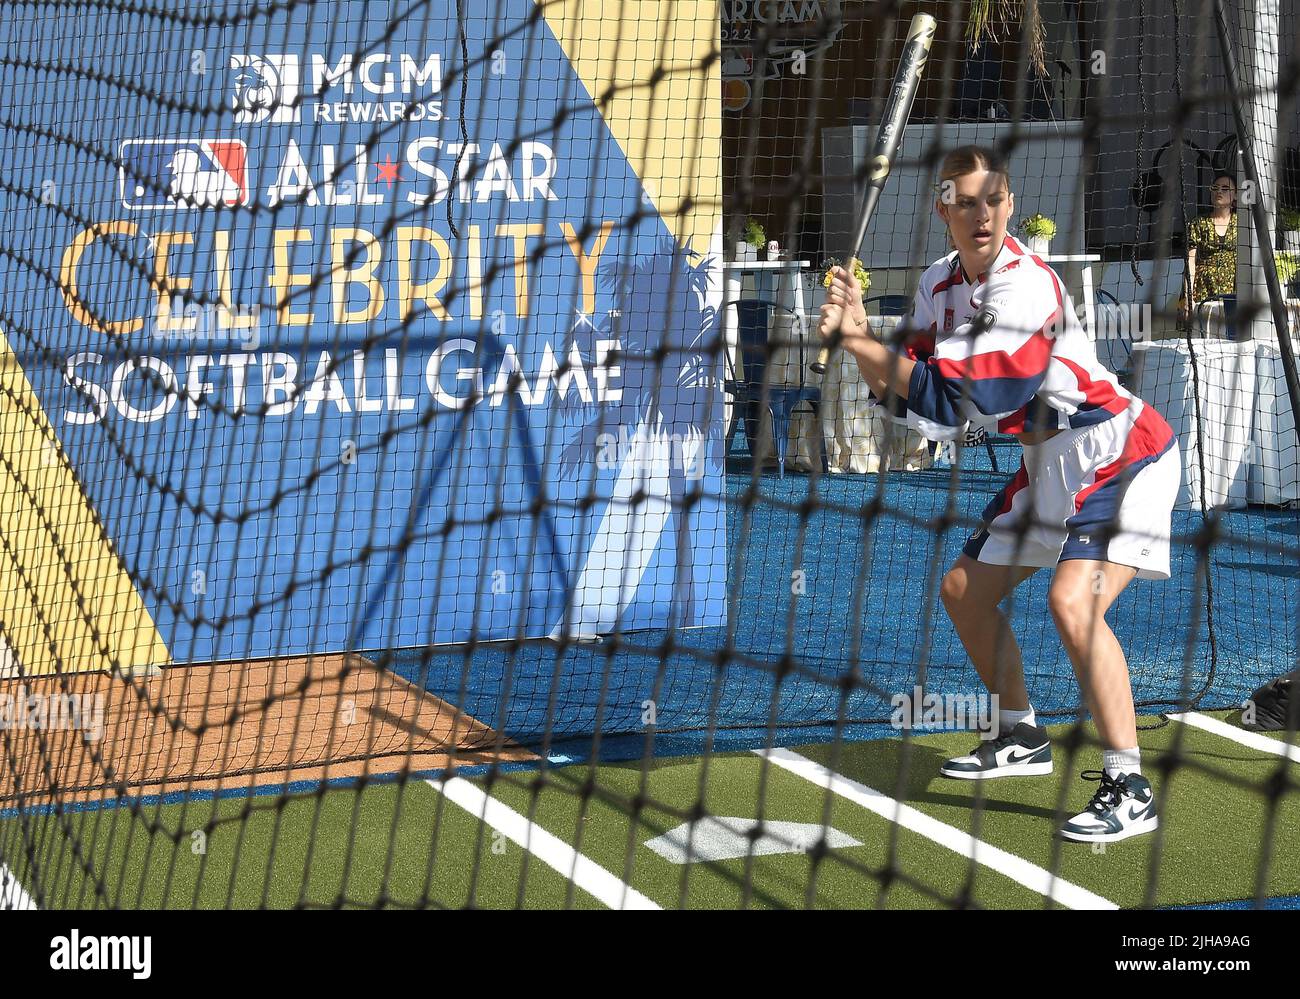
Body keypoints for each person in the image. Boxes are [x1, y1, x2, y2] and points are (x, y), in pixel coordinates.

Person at [818, 145, 1182, 843]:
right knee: (965, 589)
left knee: (1072, 602)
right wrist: (865, 340)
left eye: (994, 199)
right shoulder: (936, 284)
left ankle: (1130, 784)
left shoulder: (1027, 287)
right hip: (1045, 459)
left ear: (1009, 205)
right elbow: (911, 398)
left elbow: (966, 398)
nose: (981, 213)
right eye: (965, 200)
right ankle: (1021, 735)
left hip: (1119, 451)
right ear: (943, 209)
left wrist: (861, 339)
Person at [1180, 172, 1238, 321]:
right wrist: (1188, 296)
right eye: (1215, 187)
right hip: (1203, 288)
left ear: (1236, 195)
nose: (1219, 191)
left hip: (1235, 288)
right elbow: (1190, 261)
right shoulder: (1198, 223)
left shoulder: (1243, 223)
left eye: (1225, 188)